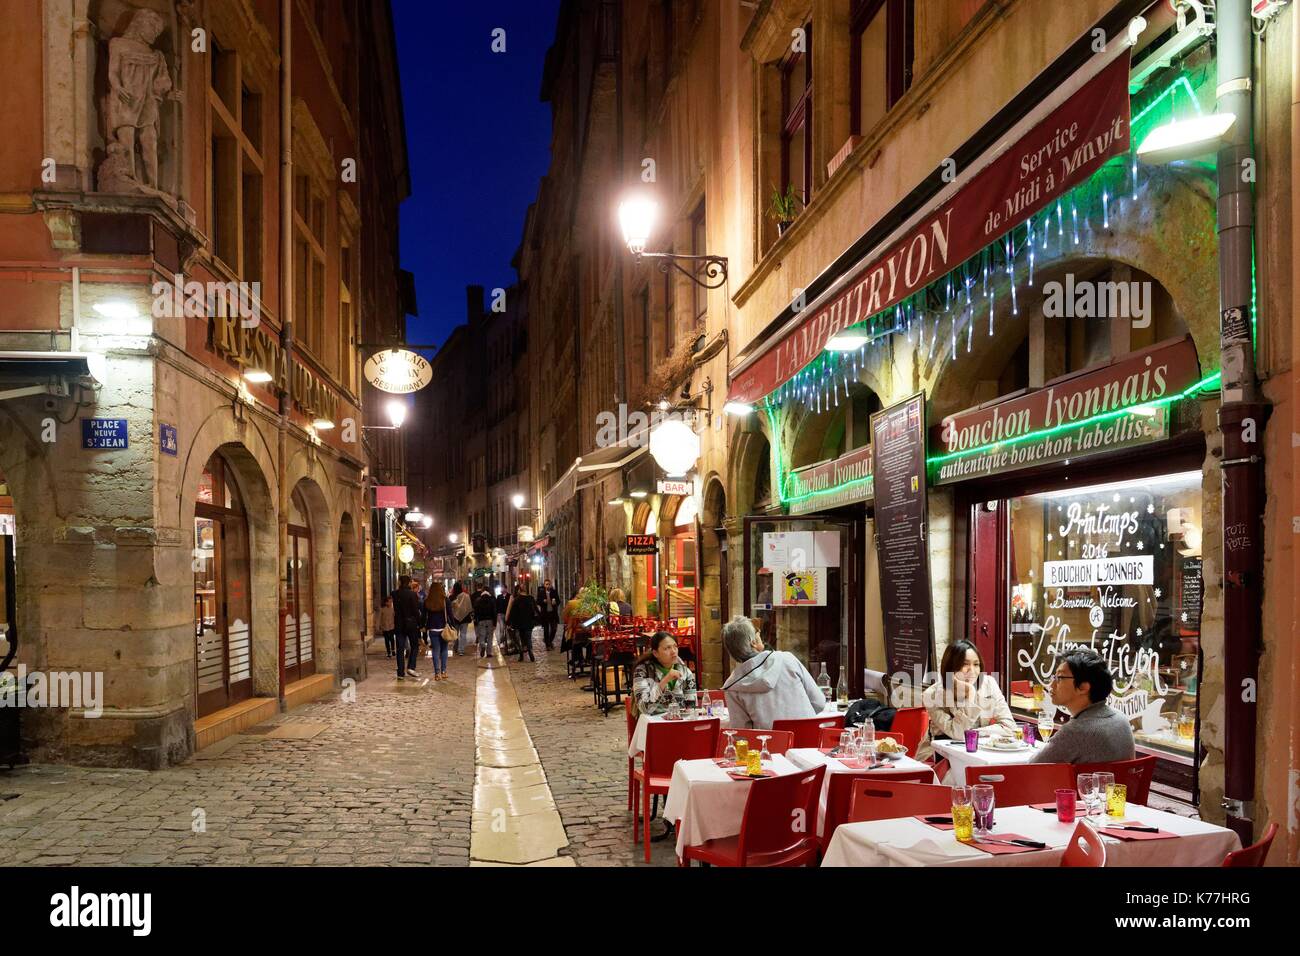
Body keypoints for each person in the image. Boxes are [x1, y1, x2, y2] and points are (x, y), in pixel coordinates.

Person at [1030, 649, 1136, 765]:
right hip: (1120, 783)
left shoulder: (1075, 731)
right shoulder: (1120, 718)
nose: (1051, 685)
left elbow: (1034, 765)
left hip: (1090, 783)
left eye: (1059, 678)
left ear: (1083, 687)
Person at [720, 615, 826, 729]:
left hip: (771, 744)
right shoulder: (787, 659)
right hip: (810, 740)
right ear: (753, 642)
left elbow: (742, 732)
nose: (761, 637)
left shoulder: (732, 686)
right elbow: (819, 702)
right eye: (758, 634)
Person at [922, 639, 1017, 740]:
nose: (972, 670)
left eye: (976, 664)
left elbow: (1009, 727)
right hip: (939, 751)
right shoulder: (931, 695)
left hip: (976, 748)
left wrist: (974, 733)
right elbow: (958, 734)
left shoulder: (989, 684)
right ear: (951, 668)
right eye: (965, 664)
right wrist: (970, 693)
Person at [630, 631, 698, 716]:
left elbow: (691, 705)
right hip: (651, 724)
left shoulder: (685, 671)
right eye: (667, 648)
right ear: (655, 653)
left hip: (678, 723)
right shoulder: (642, 671)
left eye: (675, 647)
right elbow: (644, 708)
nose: (673, 651)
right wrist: (665, 681)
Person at [392, 574, 422, 679]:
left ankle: (400, 672)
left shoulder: (394, 594)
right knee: (415, 645)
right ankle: (411, 667)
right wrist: (420, 623)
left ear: (399, 582)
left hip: (399, 624)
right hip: (411, 624)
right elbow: (415, 610)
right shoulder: (412, 595)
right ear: (409, 582)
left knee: (400, 648)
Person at [424, 581, 450, 681]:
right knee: (444, 650)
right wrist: (452, 625)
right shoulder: (445, 600)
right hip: (444, 629)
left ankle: (437, 673)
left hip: (432, 629)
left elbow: (424, 616)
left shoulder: (427, 601)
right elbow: (450, 614)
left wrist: (423, 626)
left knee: (435, 650)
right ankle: (443, 672)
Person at [508, 584, 538, 662]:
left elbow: (513, 612)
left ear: (519, 590)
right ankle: (530, 651)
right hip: (529, 621)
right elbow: (535, 609)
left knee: (521, 638)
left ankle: (521, 652)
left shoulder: (517, 599)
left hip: (520, 622)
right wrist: (538, 619)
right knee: (528, 637)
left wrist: (510, 622)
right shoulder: (531, 598)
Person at [473, 582, 497, 659]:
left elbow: (476, 612)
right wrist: (495, 622)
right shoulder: (492, 599)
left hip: (481, 620)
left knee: (481, 636)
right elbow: (494, 612)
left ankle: (482, 645)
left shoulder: (478, 600)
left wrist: (476, 621)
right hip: (490, 620)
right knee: (490, 637)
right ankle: (489, 653)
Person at [450, 582, 473, 656]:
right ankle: (461, 650)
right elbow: (469, 607)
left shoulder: (452, 597)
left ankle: (455, 647)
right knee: (463, 634)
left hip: (454, 619)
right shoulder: (466, 596)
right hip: (465, 618)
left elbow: (449, 608)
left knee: (455, 634)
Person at [536, 578, 560, 650]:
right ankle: (547, 645)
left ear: (550, 585)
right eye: (546, 584)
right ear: (544, 585)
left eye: (549, 584)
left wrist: (556, 602)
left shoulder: (554, 592)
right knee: (546, 630)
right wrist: (543, 601)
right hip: (545, 614)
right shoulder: (541, 593)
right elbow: (537, 601)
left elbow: (559, 601)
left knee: (554, 629)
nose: (548, 585)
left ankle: (549, 641)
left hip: (553, 613)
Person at [378, 594, 396, 658]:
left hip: (391, 626)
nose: (391, 603)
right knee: (386, 640)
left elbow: (395, 617)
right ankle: (388, 652)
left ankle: (393, 650)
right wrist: (379, 625)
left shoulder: (393, 609)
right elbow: (379, 618)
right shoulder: (382, 609)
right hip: (385, 626)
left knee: (392, 639)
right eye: (389, 601)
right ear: (386, 602)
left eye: (391, 601)